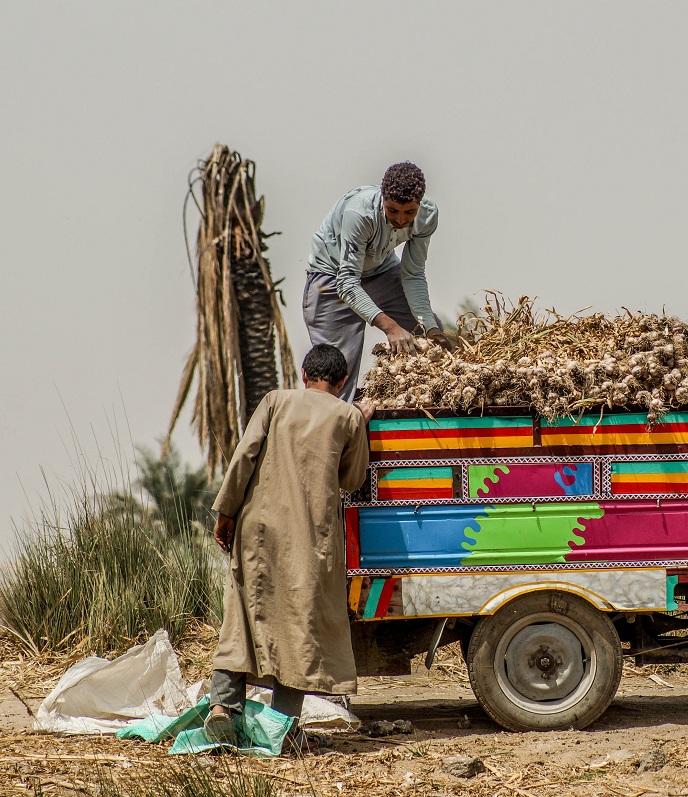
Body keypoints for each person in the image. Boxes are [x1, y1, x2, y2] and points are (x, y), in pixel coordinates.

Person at [204, 344, 373, 751]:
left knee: (242, 614)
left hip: (257, 529)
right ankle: (282, 726)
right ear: (343, 382)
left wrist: (226, 512)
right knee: (299, 626)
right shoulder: (347, 416)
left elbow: (245, 455)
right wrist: (361, 422)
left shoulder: (275, 400)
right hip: (310, 539)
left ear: (302, 374)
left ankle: (223, 708)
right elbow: (352, 480)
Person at [304, 161, 454, 401]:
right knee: (332, 377)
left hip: (380, 271)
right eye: (392, 210)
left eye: (409, 212)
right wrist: (391, 327)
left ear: (419, 204)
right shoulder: (359, 214)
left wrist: (430, 327)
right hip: (333, 278)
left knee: (429, 337)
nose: (401, 220)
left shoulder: (427, 216)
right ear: (382, 198)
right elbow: (348, 283)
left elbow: (413, 273)